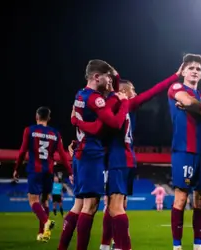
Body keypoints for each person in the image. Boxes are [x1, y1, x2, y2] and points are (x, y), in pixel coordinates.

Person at [76, 66, 182, 250]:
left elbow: (97, 127)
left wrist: (78, 124)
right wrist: (175, 76)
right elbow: (153, 91)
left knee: (112, 206)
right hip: (126, 159)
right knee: (117, 206)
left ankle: (118, 246)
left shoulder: (112, 105)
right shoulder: (125, 104)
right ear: (123, 91)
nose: (136, 93)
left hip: (115, 160)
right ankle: (114, 245)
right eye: (132, 89)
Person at [58, 59, 128, 250]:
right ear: (97, 77)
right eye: (106, 76)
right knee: (90, 206)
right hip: (91, 154)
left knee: (78, 205)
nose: (110, 81)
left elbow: (112, 81)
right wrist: (124, 105)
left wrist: (75, 121)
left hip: (81, 152)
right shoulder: (95, 98)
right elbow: (111, 124)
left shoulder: (80, 94)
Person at [168, 53, 201, 250]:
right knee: (181, 198)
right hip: (183, 150)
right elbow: (187, 101)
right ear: (182, 71)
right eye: (191, 68)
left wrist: (193, 106)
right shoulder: (176, 87)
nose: (195, 71)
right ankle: (177, 246)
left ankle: (198, 245)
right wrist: (200, 106)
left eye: (198, 69)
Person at [13, 106, 72, 243]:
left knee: (33, 201)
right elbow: (63, 155)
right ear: (49, 118)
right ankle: (43, 234)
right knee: (44, 201)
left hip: (35, 170)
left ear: (36, 116)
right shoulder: (55, 133)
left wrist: (16, 168)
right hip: (49, 171)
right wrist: (70, 172)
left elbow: (22, 152)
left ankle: (46, 222)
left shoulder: (29, 130)